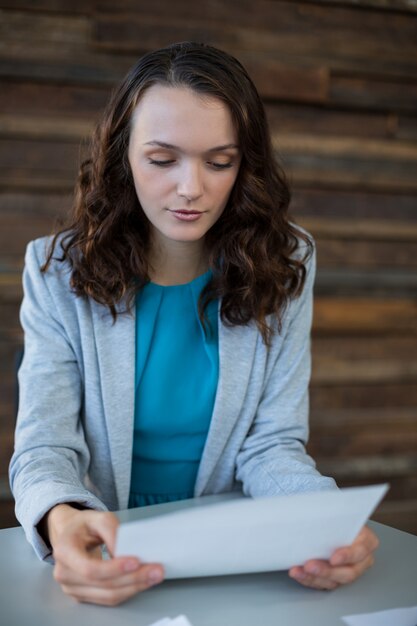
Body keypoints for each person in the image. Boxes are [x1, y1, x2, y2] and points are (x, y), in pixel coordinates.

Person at [9, 41, 378, 606]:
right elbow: (45, 445)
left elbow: (272, 444)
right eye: (162, 160)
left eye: (219, 162)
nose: (191, 188)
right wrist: (62, 516)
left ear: (244, 164)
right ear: (122, 158)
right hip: (110, 547)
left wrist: (322, 521)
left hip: (233, 557)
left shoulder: (287, 262)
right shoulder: (54, 271)